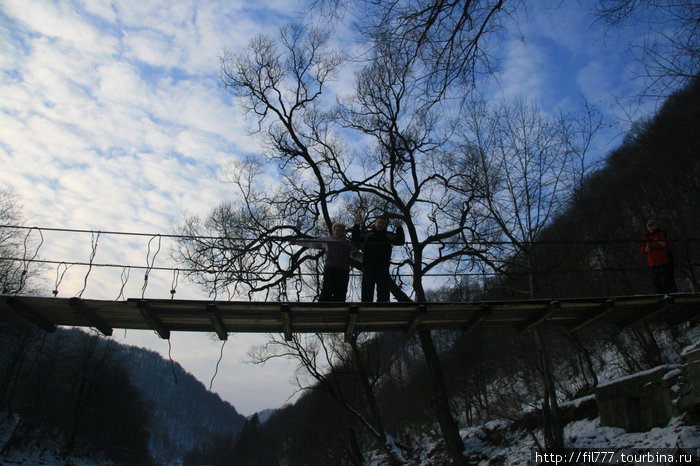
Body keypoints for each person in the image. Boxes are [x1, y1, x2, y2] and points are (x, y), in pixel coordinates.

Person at [290, 223, 358, 302]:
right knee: (327, 289)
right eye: (337, 230)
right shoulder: (327, 240)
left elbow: (356, 255)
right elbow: (312, 242)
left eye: (341, 230)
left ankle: (339, 309)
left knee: (341, 292)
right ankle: (321, 307)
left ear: (344, 232)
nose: (339, 232)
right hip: (330, 269)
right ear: (333, 231)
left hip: (344, 271)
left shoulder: (348, 244)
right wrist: (297, 241)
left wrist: (368, 260)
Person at [352, 214, 405, 302]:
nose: (381, 225)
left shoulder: (389, 235)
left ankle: (383, 304)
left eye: (383, 223)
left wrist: (399, 228)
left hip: (383, 265)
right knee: (367, 285)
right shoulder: (367, 234)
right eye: (379, 222)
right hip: (368, 264)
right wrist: (356, 226)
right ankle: (366, 304)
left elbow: (400, 241)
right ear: (375, 223)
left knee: (383, 286)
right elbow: (355, 239)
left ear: (385, 225)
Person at [639, 218, 677, 294]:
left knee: (668, 279)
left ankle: (672, 294)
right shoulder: (646, 237)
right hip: (653, 263)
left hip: (664, 261)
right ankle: (659, 294)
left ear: (656, 226)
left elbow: (664, 244)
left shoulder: (662, 234)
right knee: (656, 281)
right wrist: (646, 249)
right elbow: (642, 250)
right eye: (649, 225)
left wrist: (651, 245)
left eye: (652, 225)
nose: (650, 227)